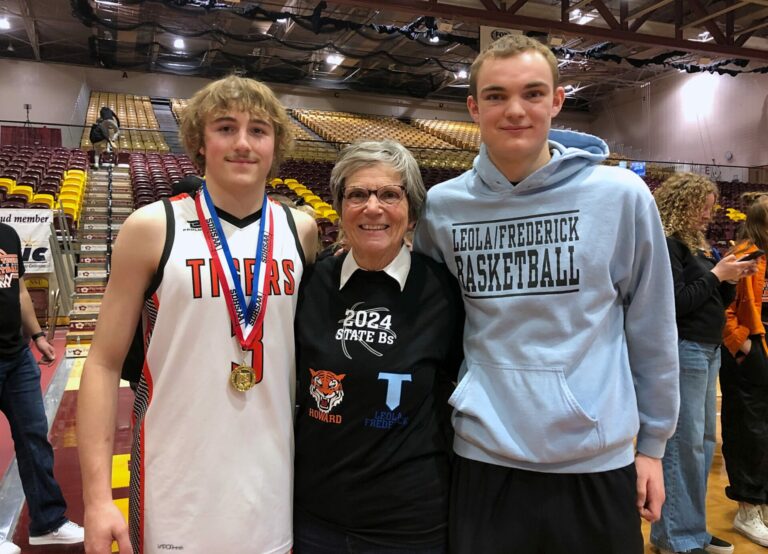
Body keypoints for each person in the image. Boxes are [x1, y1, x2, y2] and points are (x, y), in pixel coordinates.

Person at [412, 33, 680, 553]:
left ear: (558, 100)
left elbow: (652, 326)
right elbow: (435, 330)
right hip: (482, 455)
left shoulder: (620, 196)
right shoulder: (444, 208)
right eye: (496, 95)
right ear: (473, 107)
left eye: (533, 93)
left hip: (594, 459)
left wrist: (652, 447)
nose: (515, 110)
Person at [77, 75, 318, 554]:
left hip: (270, 485)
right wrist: (97, 499)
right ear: (199, 143)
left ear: (276, 145)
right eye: (226, 128)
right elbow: (102, 364)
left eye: (259, 130)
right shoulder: (152, 226)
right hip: (175, 483)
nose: (243, 143)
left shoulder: (301, 230)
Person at [293, 140, 464, 553]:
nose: (373, 207)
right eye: (357, 194)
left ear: (411, 212)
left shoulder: (444, 291)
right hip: (314, 516)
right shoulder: (308, 285)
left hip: (410, 522)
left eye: (389, 194)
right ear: (339, 205)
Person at [650, 173, 755, 554]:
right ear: (685, 204)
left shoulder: (699, 245)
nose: (709, 215)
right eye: (704, 207)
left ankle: (687, 528)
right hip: (684, 347)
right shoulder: (667, 243)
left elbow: (712, 300)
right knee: (684, 444)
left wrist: (730, 277)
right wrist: (715, 275)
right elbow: (675, 304)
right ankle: (677, 536)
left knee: (704, 442)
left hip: (707, 350)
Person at [0, 222, 84, 554]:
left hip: (16, 355)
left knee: (34, 436)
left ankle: (47, 523)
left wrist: (36, 337)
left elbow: (18, 290)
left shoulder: (7, 234)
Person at [721, 195, 768, 547]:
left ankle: (762, 503)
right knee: (748, 431)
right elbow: (722, 307)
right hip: (750, 354)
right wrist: (742, 345)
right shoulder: (744, 253)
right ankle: (747, 508)